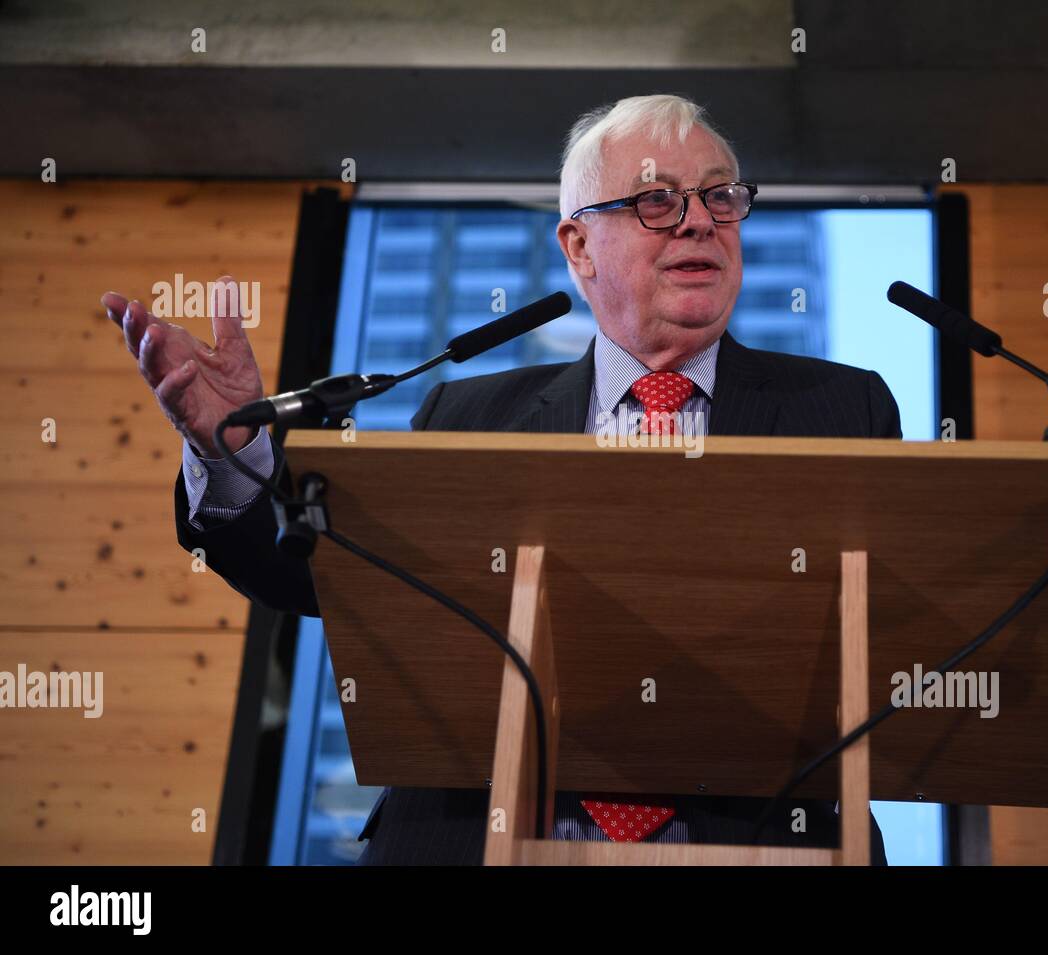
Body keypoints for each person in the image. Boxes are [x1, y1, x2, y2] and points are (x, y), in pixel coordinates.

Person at [102, 94, 900, 864]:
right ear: (579, 247)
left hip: (763, 837)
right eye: (658, 200)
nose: (699, 220)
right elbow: (322, 580)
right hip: (472, 834)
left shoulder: (841, 404)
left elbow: (895, 631)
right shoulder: (469, 410)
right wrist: (231, 453)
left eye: (721, 197)